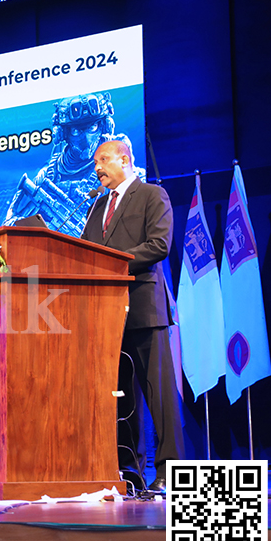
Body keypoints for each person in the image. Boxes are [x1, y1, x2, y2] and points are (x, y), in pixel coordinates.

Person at [80, 140, 184, 494]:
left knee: (159, 395)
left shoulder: (152, 195)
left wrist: (112, 263)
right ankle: (129, 472)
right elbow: (84, 253)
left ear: (124, 159)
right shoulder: (96, 208)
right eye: (96, 163)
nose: (97, 168)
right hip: (107, 317)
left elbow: (159, 246)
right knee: (122, 398)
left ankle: (171, 470)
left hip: (144, 308)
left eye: (103, 160)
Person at [5, 92, 146, 236]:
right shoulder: (48, 175)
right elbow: (10, 222)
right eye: (76, 131)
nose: (86, 139)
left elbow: (139, 220)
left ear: (104, 126)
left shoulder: (122, 168)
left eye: (92, 128)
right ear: (63, 133)